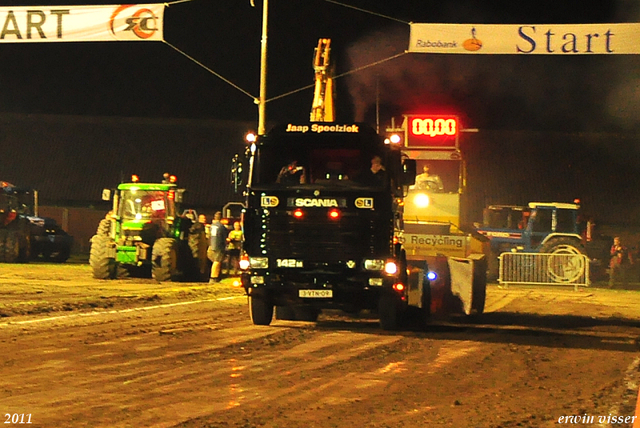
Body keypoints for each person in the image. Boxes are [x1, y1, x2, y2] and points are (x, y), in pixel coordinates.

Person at [208, 211, 228, 283]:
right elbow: (224, 237)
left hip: (211, 245)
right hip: (219, 246)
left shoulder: (211, 226)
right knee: (217, 262)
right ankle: (214, 277)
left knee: (214, 261)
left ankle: (214, 276)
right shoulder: (221, 227)